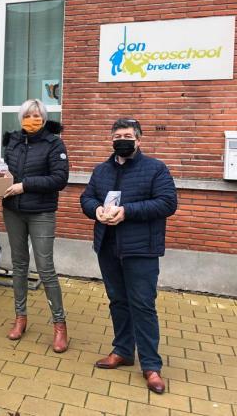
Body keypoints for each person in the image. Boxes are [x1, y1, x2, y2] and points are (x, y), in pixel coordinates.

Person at [80, 118, 177, 394]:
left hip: (141, 249)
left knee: (143, 305)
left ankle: (151, 365)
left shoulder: (155, 169)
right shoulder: (101, 170)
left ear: (138, 140)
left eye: (127, 135)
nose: (121, 139)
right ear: (111, 140)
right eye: (117, 135)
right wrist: (96, 210)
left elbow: (168, 202)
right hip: (108, 247)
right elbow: (86, 198)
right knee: (118, 301)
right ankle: (122, 350)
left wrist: (127, 211)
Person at [1, 99, 69, 353]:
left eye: (37, 115)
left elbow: (60, 178)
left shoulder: (54, 143)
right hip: (13, 211)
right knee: (18, 265)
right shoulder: (13, 141)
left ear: (44, 117)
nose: (33, 119)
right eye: (28, 115)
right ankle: (20, 318)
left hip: (41, 212)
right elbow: (4, 172)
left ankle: (60, 325)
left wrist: (25, 185)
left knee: (45, 268)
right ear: (21, 118)